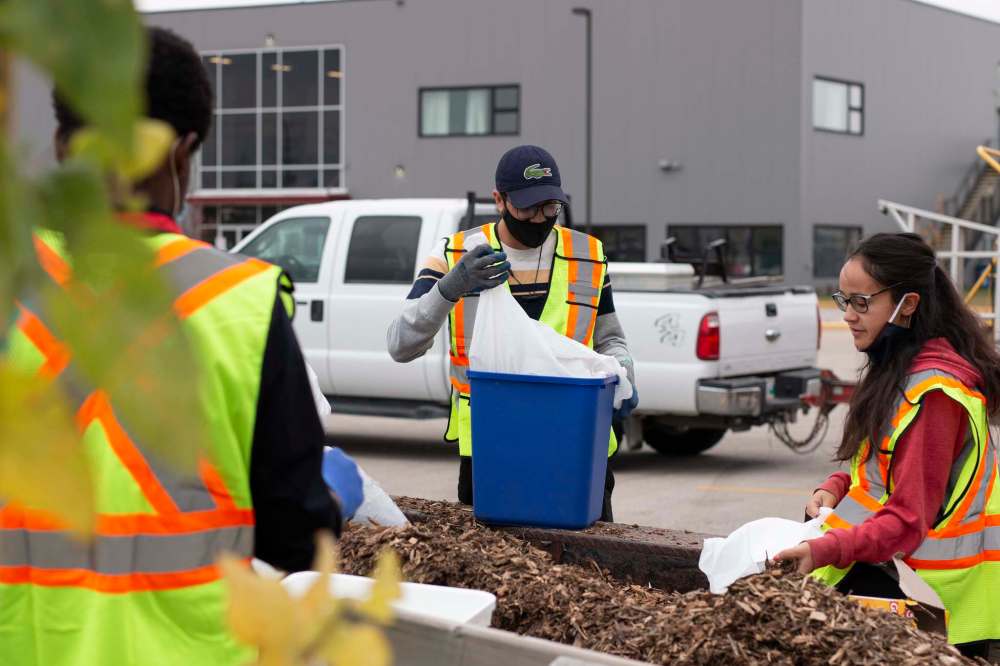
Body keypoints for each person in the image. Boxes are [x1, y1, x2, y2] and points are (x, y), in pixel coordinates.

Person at [1, 27, 360, 665]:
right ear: (184, 152)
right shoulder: (241, 303)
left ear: (61, 146)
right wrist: (329, 497)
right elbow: (294, 538)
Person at [773, 233, 1000, 661]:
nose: (850, 317)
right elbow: (883, 471)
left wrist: (824, 549)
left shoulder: (934, 394)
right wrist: (838, 485)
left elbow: (908, 519)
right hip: (902, 581)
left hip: (934, 604)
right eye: (845, 300)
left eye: (863, 303)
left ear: (908, 305)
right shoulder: (900, 369)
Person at [387, 145, 638, 521]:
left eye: (550, 207)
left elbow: (609, 338)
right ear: (499, 200)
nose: (539, 218)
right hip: (493, 452)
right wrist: (449, 288)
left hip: (577, 444)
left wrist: (624, 368)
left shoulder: (587, 255)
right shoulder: (457, 255)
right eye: (527, 207)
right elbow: (400, 345)